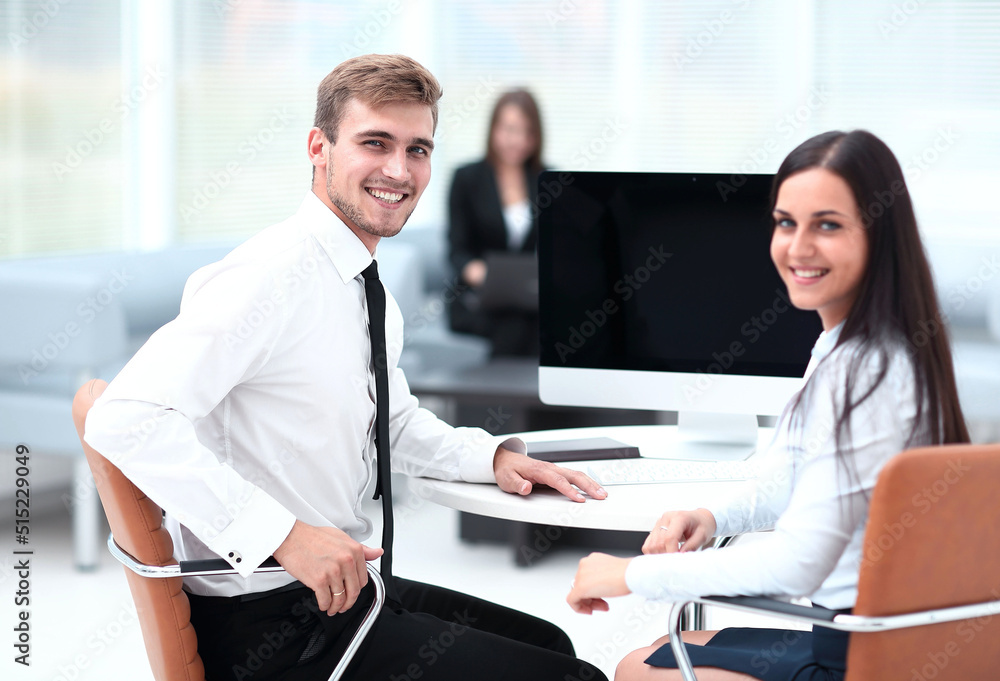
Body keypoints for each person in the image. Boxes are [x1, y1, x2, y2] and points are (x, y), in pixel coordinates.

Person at [85, 54, 609, 681]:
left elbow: (390, 421)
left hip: (342, 594)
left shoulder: (364, 286)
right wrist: (282, 534)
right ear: (319, 147)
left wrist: (489, 457)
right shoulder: (268, 277)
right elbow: (124, 418)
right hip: (274, 626)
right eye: (375, 143)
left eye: (417, 149)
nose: (398, 169)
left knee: (550, 643)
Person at [566, 129, 970, 681]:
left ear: (878, 236)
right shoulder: (853, 347)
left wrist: (627, 576)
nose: (798, 247)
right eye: (786, 222)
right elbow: (791, 479)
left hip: (863, 656)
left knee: (634, 666)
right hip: (884, 641)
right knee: (666, 646)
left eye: (827, 224)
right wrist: (711, 518)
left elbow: (798, 563)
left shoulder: (865, 372)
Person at [447, 89, 545, 356]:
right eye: (510, 129)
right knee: (516, 327)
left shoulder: (547, 180)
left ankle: (503, 398)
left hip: (529, 298)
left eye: (527, 132)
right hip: (477, 296)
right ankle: (523, 398)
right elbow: (457, 249)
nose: (518, 140)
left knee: (532, 322)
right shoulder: (467, 179)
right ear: (494, 129)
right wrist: (479, 273)